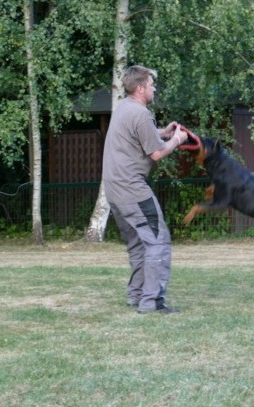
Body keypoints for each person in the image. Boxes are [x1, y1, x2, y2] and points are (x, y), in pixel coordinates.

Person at [102, 65, 188, 314]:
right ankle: (152, 302)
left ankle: (137, 295)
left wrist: (164, 132)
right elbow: (157, 153)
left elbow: (141, 135)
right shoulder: (140, 113)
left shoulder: (124, 108)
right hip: (132, 189)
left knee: (139, 244)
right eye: (151, 84)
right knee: (158, 241)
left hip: (114, 190)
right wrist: (177, 139)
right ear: (141, 88)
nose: (154, 89)